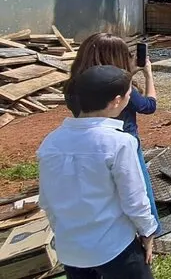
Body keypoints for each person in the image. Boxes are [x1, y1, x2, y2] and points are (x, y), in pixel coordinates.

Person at [38, 65, 159, 279]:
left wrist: (65, 234)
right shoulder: (119, 142)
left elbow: (47, 200)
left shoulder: (51, 142)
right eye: (129, 95)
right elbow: (134, 200)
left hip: (71, 250)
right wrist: (147, 231)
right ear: (116, 101)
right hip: (115, 247)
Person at [64, 33, 159, 232]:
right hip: (124, 142)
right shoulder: (120, 90)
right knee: (138, 187)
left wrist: (128, 75)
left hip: (88, 142)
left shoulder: (74, 85)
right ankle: (151, 230)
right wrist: (148, 74)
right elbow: (148, 106)